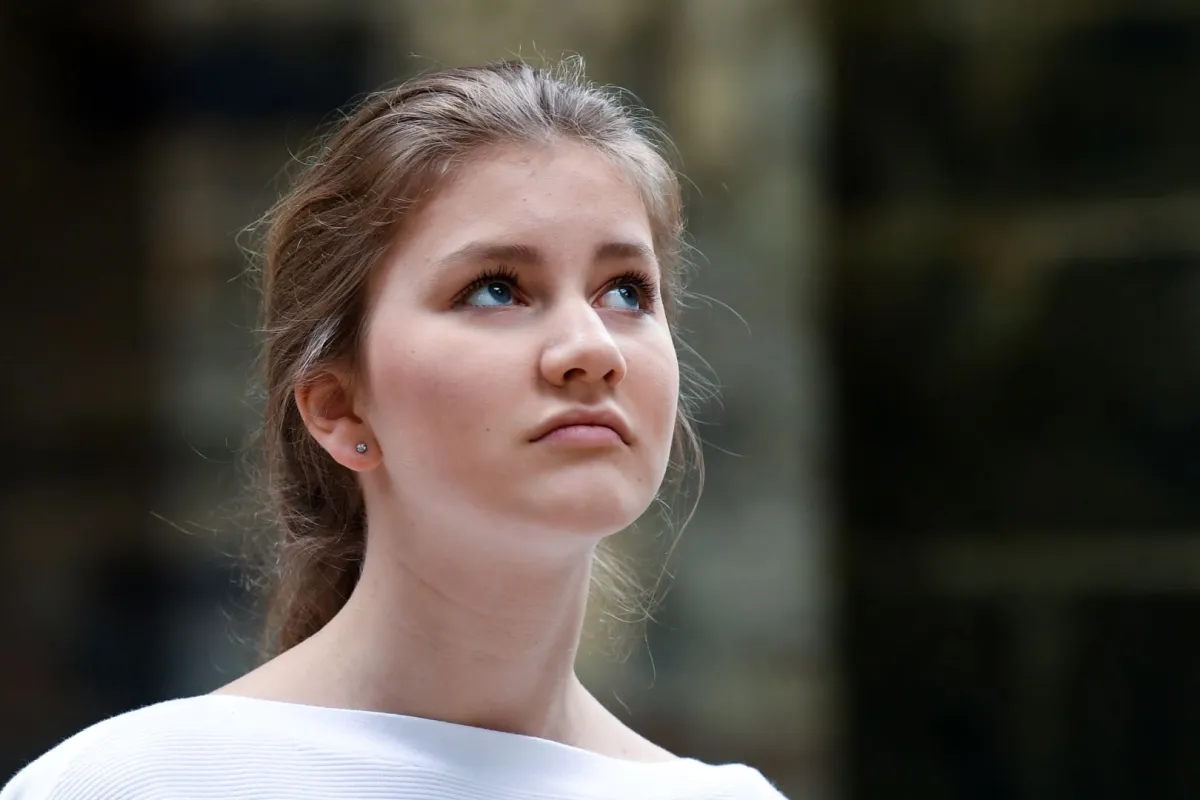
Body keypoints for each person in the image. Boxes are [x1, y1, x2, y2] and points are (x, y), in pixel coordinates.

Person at [2, 59, 787, 799]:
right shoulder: (144, 784)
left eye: (626, 291)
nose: (591, 349)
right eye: (495, 289)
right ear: (338, 406)